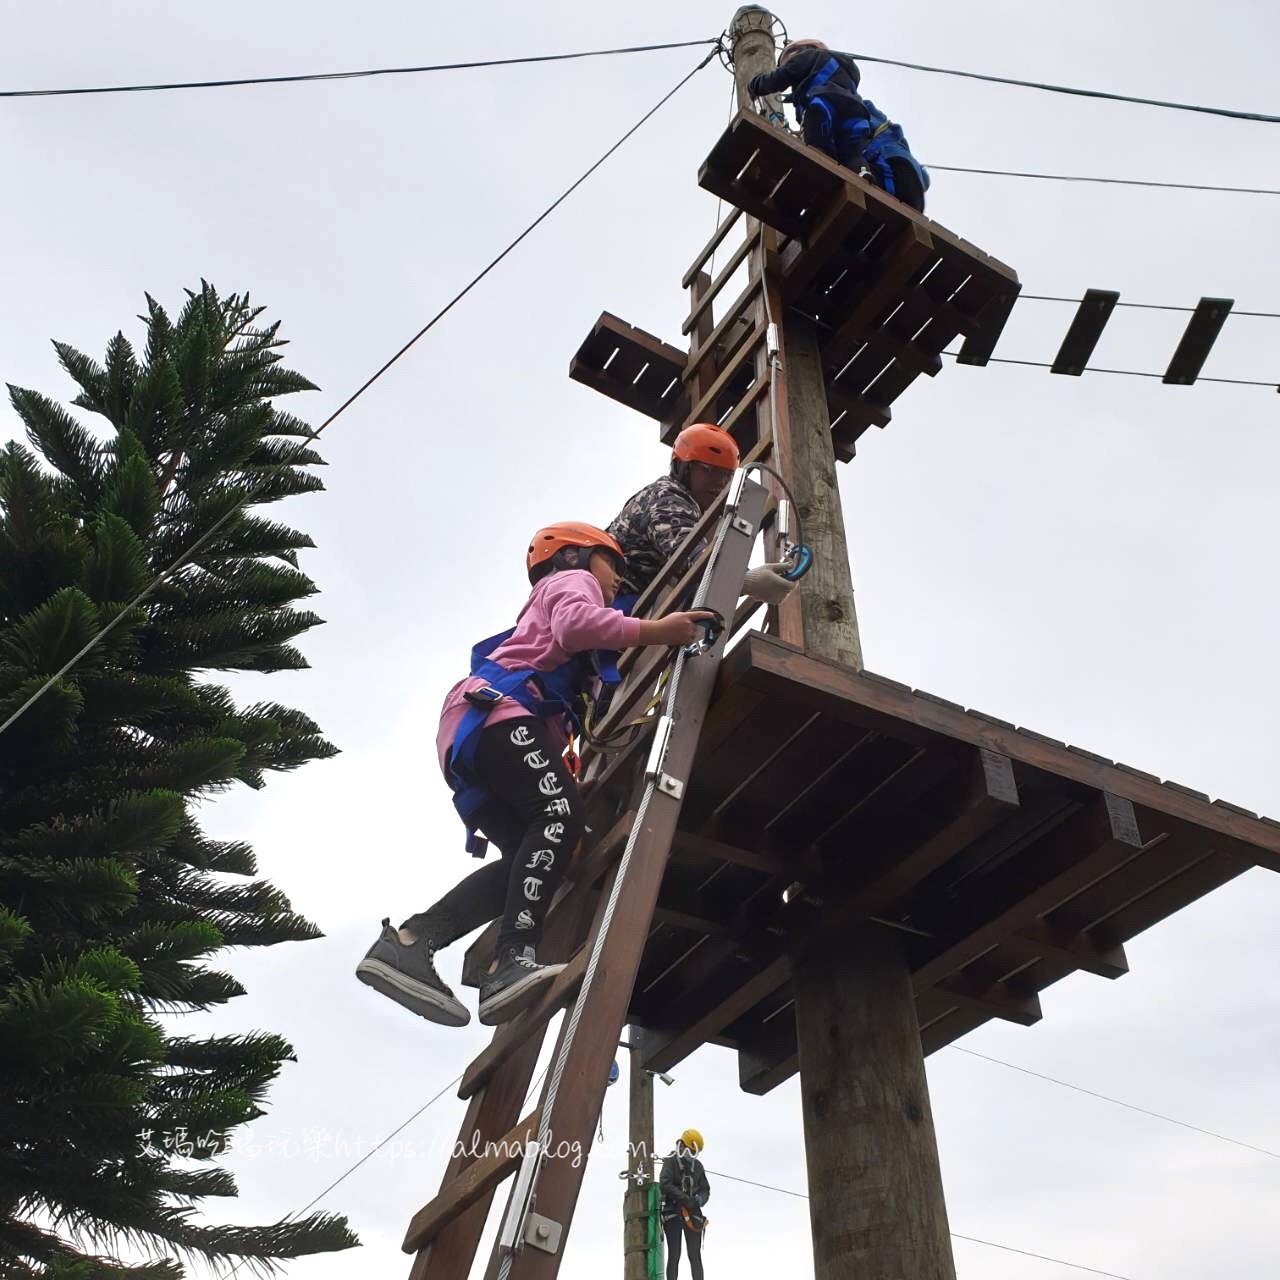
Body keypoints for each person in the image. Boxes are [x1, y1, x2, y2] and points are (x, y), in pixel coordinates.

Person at [356, 524, 712, 1027]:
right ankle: (512, 961)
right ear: (575, 555)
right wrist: (661, 631)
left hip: (476, 734)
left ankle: (412, 943)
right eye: (612, 564)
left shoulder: (569, 631)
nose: (616, 580)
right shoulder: (570, 582)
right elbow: (576, 626)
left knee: (535, 853)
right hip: (497, 713)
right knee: (559, 819)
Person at [747, 39, 930, 213]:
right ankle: (861, 171)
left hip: (824, 101)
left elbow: (782, 77)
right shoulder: (849, 82)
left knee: (818, 137)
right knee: (850, 151)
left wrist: (755, 85)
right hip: (855, 114)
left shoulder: (809, 59)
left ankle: (820, 160)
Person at [607, 423, 740, 607]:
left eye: (727, 475)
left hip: (634, 602)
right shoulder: (668, 498)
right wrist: (749, 579)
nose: (720, 482)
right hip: (617, 601)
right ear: (683, 468)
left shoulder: (688, 505)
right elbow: (693, 557)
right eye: (709, 470)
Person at [660, 1129, 710, 1280]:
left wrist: (699, 1200)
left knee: (695, 1255)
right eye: (692, 1150)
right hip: (673, 1212)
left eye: (696, 1152)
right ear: (683, 1145)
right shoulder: (670, 1162)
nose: (693, 1154)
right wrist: (686, 1200)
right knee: (674, 1254)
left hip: (693, 1213)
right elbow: (665, 1184)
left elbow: (705, 1189)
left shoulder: (698, 1167)